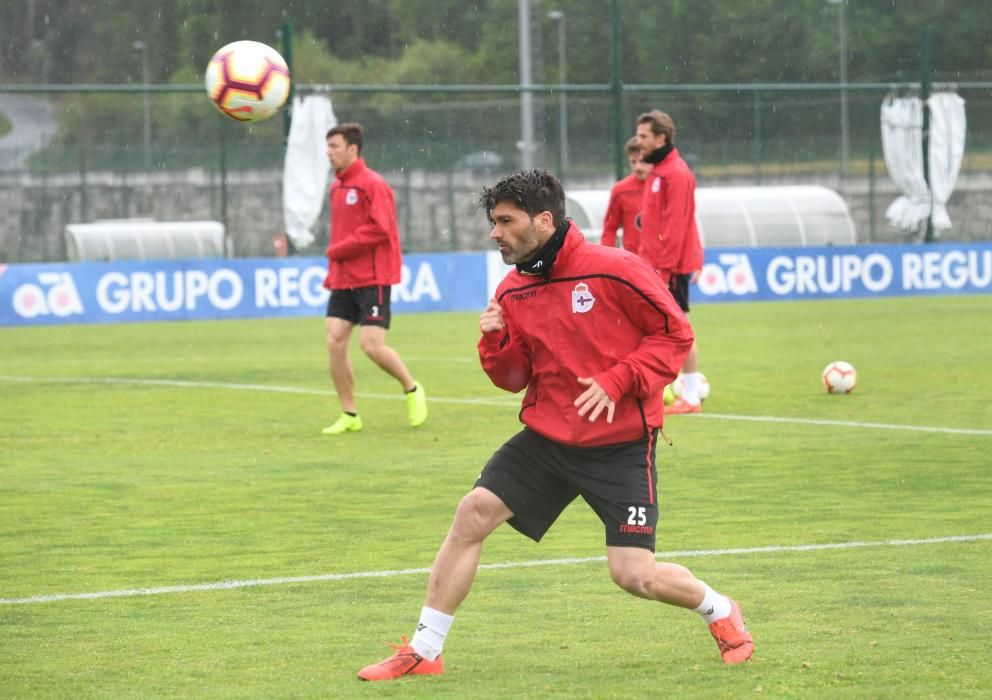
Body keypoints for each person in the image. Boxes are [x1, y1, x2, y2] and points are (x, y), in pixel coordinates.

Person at [356, 170, 753, 681]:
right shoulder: (512, 289)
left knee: (633, 576)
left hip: (619, 445)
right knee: (473, 514)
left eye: (505, 221)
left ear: (544, 220)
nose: (494, 233)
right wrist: (495, 343)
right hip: (547, 438)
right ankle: (425, 649)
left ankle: (720, 611)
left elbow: (675, 336)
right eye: (492, 222)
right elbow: (515, 377)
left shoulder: (616, 270)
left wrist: (617, 381)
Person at [320, 122, 427, 434]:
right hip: (344, 278)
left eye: (335, 147)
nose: (329, 153)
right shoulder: (336, 187)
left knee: (371, 346)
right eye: (328, 147)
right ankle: (350, 414)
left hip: (373, 276)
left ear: (353, 149)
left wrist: (341, 248)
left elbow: (381, 229)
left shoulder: (373, 184)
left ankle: (411, 388)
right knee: (334, 340)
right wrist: (335, 267)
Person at [634, 110, 706, 415]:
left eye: (644, 137)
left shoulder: (676, 173)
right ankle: (659, 388)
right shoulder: (658, 172)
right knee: (653, 329)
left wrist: (661, 272)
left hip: (669, 269)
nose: (639, 143)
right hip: (652, 266)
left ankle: (691, 395)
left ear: (661, 138)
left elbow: (676, 228)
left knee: (679, 329)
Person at [600, 136, 650, 252]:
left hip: (661, 262)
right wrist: (607, 258)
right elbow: (609, 229)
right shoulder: (620, 190)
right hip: (633, 260)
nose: (638, 167)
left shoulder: (664, 186)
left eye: (642, 161)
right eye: (633, 162)